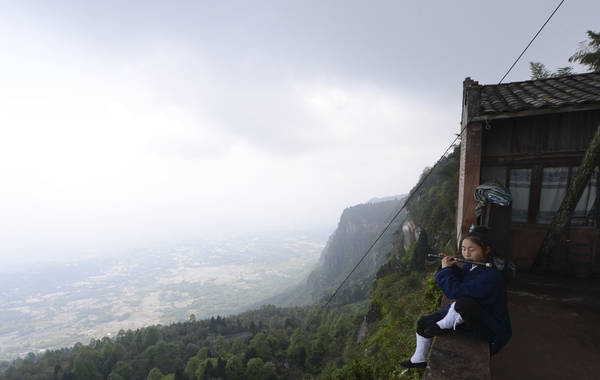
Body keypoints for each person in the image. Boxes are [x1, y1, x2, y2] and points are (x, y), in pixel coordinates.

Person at [400, 227, 512, 368]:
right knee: (423, 322)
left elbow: (455, 291)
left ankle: (442, 326)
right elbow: (463, 278)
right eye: (464, 249)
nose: (466, 253)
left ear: (487, 249)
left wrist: (446, 270)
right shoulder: (474, 266)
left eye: (472, 249)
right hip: (470, 316)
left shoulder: (490, 276)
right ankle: (419, 359)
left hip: (489, 325)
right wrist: (451, 267)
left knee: (464, 303)